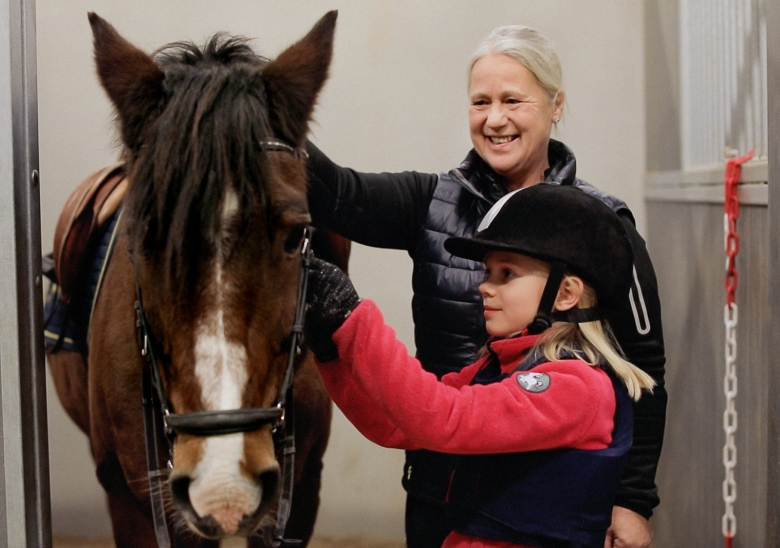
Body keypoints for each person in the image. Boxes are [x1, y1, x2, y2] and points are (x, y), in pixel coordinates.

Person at [306, 25, 666, 548]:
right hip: (444, 486)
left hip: (537, 509)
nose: (495, 118)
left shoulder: (603, 228)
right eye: (481, 101)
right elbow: (335, 192)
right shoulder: (431, 202)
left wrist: (633, 500)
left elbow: (644, 366)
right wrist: (266, 117)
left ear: (555, 103)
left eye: (513, 100)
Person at [304, 184, 657, 548]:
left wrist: (354, 319)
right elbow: (396, 425)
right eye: (488, 272)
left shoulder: (576, 385)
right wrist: (331, 352)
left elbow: (444, 419)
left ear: (566, 293)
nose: (484, 287)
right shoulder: (499, 367)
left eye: (506, 274)